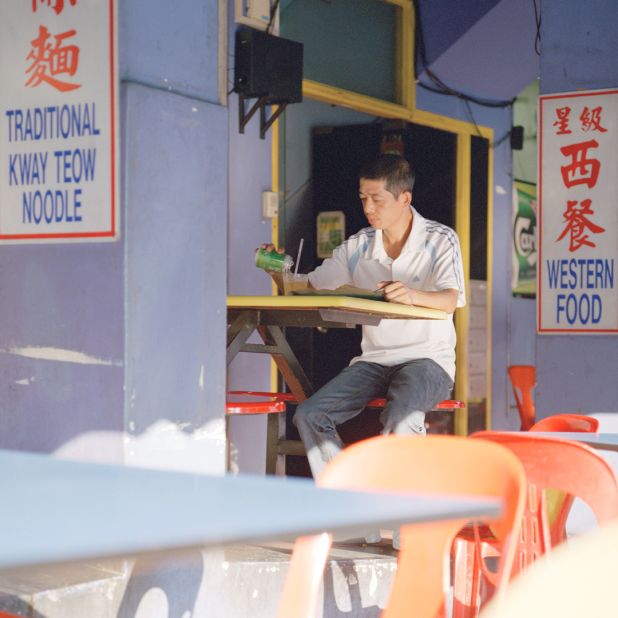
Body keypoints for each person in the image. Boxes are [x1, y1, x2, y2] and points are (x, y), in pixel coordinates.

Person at [264, 154, 465, 484]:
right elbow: (307, 286)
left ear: (404, 198)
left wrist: (412, 295)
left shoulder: (440, 239)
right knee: (310, 415)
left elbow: (450, 300)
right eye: (363, 199)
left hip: (428, 360)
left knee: (401, 421)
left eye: (377, 199)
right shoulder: (358, 245)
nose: (368, 208)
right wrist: (278, 272)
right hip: (373, 361)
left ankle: (404, 524)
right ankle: (351, 500)